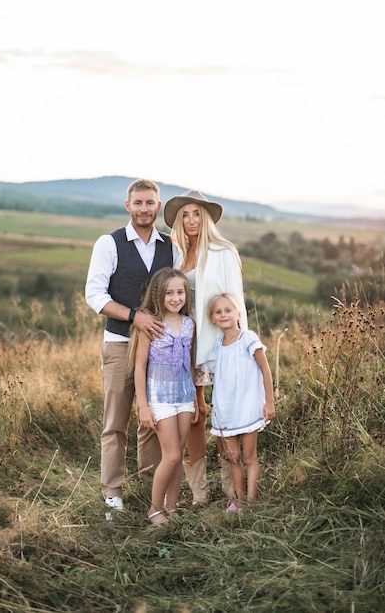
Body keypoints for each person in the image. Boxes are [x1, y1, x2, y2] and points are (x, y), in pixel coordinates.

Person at [85, 178, 179, 520]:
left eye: (149, 203)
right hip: (120, 345)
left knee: (154, 420)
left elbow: (179, 294)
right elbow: (95, 295)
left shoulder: (171, 246)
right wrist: (134, 317)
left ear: (158, 206)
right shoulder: (109, 244)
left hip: (161, 350)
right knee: (115, 422)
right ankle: (112, 495)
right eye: (137, 203)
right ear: (128, 206)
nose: (143, 209)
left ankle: (150, 489)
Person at [163, 190, 248, 505]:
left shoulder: (223, 252)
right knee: (195, 415)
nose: (190, 220)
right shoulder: (177, 256)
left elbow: (234, 302)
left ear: (207, 217)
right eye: (184, 215)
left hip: (218, 343)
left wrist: (239, 345)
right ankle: (199, 491)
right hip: (185, 344)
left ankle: (232, 489)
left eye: (196, 213)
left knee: (225, 411)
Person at [128, 267, 198, 525]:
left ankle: (172, 506)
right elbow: (139, 367)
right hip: (160, 396)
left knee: (178, 455)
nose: (176, 298)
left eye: (180, 292)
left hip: (184, 394)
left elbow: (189, 362)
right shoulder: (151, 325)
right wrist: (143, 406)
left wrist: (196, 400)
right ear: (159, 295)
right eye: (169, 293)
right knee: (169, 455)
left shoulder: (190, 324)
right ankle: (155, 509)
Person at [208, 293, 275, 511]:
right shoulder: (218, 345)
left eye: (228, 310)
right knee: (232, 457)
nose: (223, 314)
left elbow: (265, 370)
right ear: (213, 319)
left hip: (247, 408)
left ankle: (251, 502)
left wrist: (269, 402)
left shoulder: (248, 338)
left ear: (238, 313)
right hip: (227, 411)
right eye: (218, 312)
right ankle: (238, 500)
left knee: (249, 456)